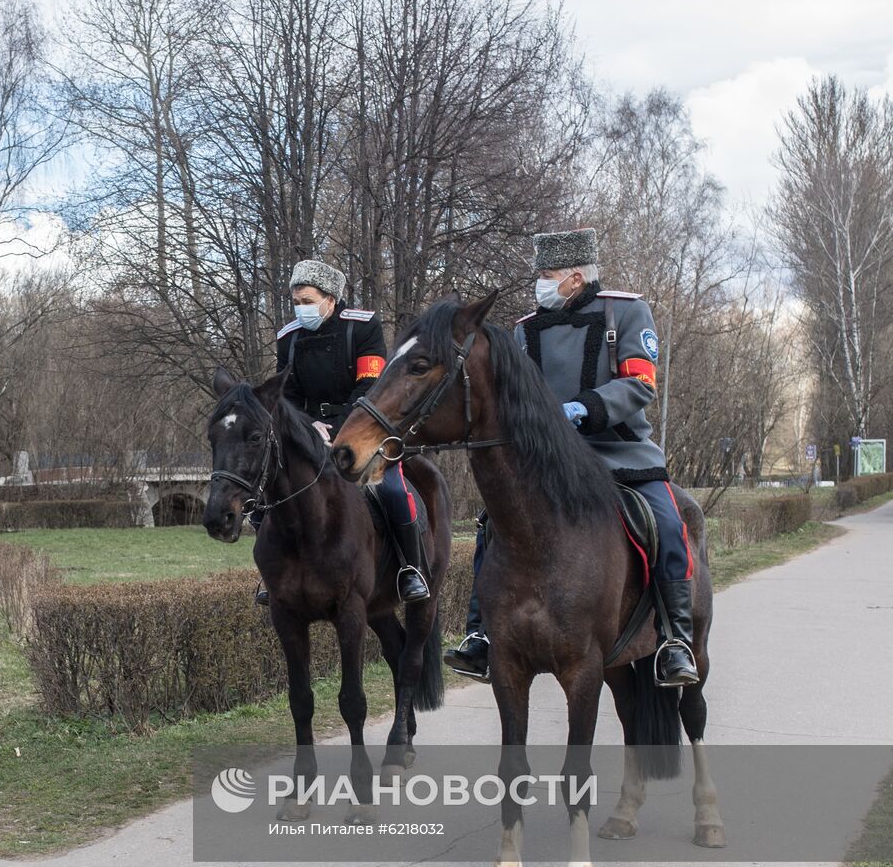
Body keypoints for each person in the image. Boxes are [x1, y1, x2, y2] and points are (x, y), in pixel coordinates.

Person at [443, 228, 700, 687]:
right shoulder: (525, 330)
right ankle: (479, 635)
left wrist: (583, 408)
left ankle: (675, 640)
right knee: (491, 524)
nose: (539, 284)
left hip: (621, 451)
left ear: (575, 277)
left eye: (547, 275)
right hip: (550, 461)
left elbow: (641, 383)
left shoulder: (626, 311)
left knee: (667, 522)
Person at [252, 259, 429, 605]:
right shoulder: (288, 338)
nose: (301, 309)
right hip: (307, 433)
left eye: (308, 301)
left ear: (330, 300)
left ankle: (411, 568)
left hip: (361, 427)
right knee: (264, 497)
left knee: (391, 491)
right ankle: (272, 574)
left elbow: (369, 387)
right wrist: (306, 427)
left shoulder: (363, 328)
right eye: (297, 302)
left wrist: (337, 427)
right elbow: (285, 396)